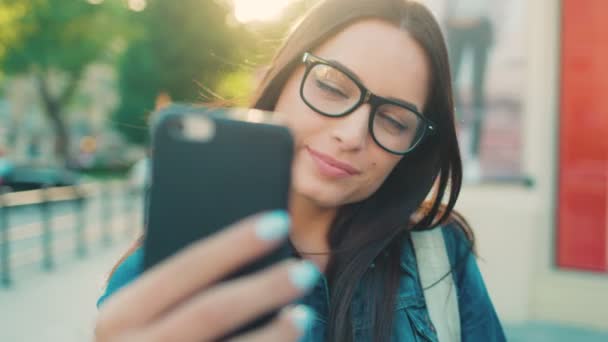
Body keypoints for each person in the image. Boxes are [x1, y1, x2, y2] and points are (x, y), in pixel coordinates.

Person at [94, 0, 506, 341]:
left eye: (394, 122)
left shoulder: (440, 252)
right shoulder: (161, 275)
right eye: (330, 86)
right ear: (282, 77)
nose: (352, 134)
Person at [445, 0, 494, 182]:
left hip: (480, 25)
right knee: (451, 85)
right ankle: (457, 145)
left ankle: (473, 154)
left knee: (477, 91)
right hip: (456, 25)